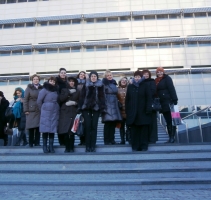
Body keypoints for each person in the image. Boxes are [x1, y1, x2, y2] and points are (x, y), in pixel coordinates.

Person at [78, 71, 106, 152]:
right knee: (87, 127)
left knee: (94, 127)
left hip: (96, 109)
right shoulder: (86, 85)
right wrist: (80, 107)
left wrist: (103, 107)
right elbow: (82, 97)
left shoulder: (101, 85)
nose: (93, 77)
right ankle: (87, 145)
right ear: (90, 77)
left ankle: (92, 145)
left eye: (95, 76)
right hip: (86, 108)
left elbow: (102, 97)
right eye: (92, 76)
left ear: (97, 77)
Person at [125, 70, 152, 151]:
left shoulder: (145, 85)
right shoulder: (130, 86)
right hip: (133, 113)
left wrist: (148, 109)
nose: (137, 78)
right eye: (136, 77)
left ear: (141, 77)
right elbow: (127, 100)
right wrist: (128, 111)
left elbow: (149, 98)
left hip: (143, 112)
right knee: (134, 130)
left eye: (138, 77)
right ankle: (135, 146)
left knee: (143, 130)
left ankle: (143, 146)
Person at [155, 67, 178, 143]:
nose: (159, 73)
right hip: (162, 103)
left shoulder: (167, 78)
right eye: (158, 72)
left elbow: (171, 88)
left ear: (163, 72)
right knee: (167, 120)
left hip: (169, 102)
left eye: (161, 72)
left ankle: (172, 137)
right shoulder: (156, 81)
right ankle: (170, 137)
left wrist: (174, 99)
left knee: (173, 120)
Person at [37, 77, 59, 153]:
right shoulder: (44, 90)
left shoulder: (56, 90)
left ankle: (51, 146)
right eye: (51, 81)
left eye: (53, 81)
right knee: (45, 130)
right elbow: (39, 101)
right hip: (45, 111)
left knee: (52, 130)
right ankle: (45, 147)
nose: (52, 82)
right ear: (48, 81)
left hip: (54, 111)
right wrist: (43, 108)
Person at [58, 77, 80, 153]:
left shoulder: (77, 91)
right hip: (65, 112)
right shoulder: (64, 90)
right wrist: (69, 93)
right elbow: (61, 99)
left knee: (72, 130)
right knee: (66, 130)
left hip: (73, 111)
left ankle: (72, 147)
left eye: (73, 81)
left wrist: (75, 103)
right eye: (70, 81)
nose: (71, 83)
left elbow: (80, 101)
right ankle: (67, 147)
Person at [102, 70, 122, 145]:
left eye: (110, 75)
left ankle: (112, 139)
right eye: (108, 75)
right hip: (107, 104)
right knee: (108, 124)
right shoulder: (103, 84)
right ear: (105, 77)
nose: (109, 76)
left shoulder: (114, 83)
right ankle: (107, 140)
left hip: (114, 104)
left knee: (113, 123)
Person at [23, 74, 43, 147]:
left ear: (39, 80)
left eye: (37, 79)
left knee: (38, 127)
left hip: (39, 109)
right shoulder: (29, 88)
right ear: (32, 80)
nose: (36, 80)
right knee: (31, 127)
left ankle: (37, 142)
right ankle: (31, 142)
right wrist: (26, 110)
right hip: (31, 109)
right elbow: (25, 100)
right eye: (34, 79)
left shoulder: (42, 88)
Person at [142, 69, 158, 143]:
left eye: (147, 74)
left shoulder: (152, 81)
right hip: (143, 105)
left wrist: (145, 95)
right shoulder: (140, 82)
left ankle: (152, 139)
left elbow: (153, 91)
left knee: (152, 122)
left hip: (151, 104)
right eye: (144, 74)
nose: (146, 75)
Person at [56, 68, 68, 146]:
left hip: (66, 105)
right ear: (59, 73)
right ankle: (61, 141)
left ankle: (65, 139)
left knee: (65, 123)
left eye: (64, 73)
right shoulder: (56, 81)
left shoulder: (67, 82)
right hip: (58, 104)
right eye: (62, 73)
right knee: (59, 123)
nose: (63, 74)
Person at [117, 77, 129, 144]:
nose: (124, 81)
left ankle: (129, 138)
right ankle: (122, 140)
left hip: (128, 111)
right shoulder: (117, 89)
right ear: (120, 81)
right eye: (122, 80)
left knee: (129, 126)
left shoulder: (129, 88)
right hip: (120, 111)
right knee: (121, 127)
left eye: (125, 80)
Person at [76, 71, 86, 146]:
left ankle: (85, 139)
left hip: (85, 104)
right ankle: (81, 139)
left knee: (85, 123)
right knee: (79, 123)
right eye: (81, 74)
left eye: (83, 75)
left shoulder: (87, 82)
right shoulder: (75, 83)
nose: (82, 76)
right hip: (77, 104)